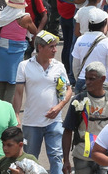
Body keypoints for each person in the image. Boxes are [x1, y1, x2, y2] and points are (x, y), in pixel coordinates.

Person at [12, 30, 72, 174]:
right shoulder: (24, 66)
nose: (55, 50)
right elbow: (18, 93)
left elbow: (68, 90)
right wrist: (16, 115)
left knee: (57, 157)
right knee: (30, 160)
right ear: (39, 47)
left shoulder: (59, 66)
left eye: (55, 46)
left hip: (54, 121)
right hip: (31, 122)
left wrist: (59, 107)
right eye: (51, 46)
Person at [62, 62, 108, 174]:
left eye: (92, 79)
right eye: (86, 78)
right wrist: (66, 160)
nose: (87, 82)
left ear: (103, 79)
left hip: (106, 157)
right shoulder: (78, 100)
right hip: (82, 157)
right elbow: (68, 130)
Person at [0, 0, 38, 102]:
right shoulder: (25, 18)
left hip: (1, 49)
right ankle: (7, 108)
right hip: (16, 53)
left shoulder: (2, 15)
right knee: (12, 82)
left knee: (1, 82)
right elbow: (34, 31)